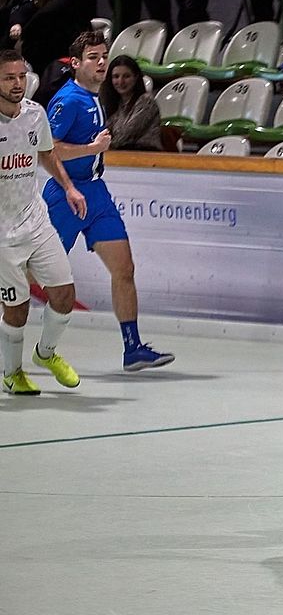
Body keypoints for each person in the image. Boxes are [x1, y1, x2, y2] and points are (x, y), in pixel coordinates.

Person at [43, 31, 174, 372]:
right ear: (76, 63)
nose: (101, 63)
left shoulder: (96, 96)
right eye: (93, 58)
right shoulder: (68, 100)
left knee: (124, 269)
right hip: (65, 193)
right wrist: (89, 153)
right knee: (31, 273)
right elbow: (48, 148)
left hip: (96, 193)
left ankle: (133, 348)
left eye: (104, 56)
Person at [0, 49, 86, 394]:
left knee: (64, 295)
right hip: (3, 234)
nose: (18, 84)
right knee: (16, 310)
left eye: (21, 76)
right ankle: (12, 372)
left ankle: (46, 353)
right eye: (9, 78)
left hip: (35, 221)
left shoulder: (36, 114)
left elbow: (46, 153)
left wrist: (68, 188)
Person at [100, 55, 162, 151]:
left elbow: (126, 135)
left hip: (145, 157)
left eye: (126, 76)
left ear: (136, 77)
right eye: (116, 76)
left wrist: (97, 146)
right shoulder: (117, 105)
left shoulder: (146, 102)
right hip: (119, 156)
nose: (120, 81)